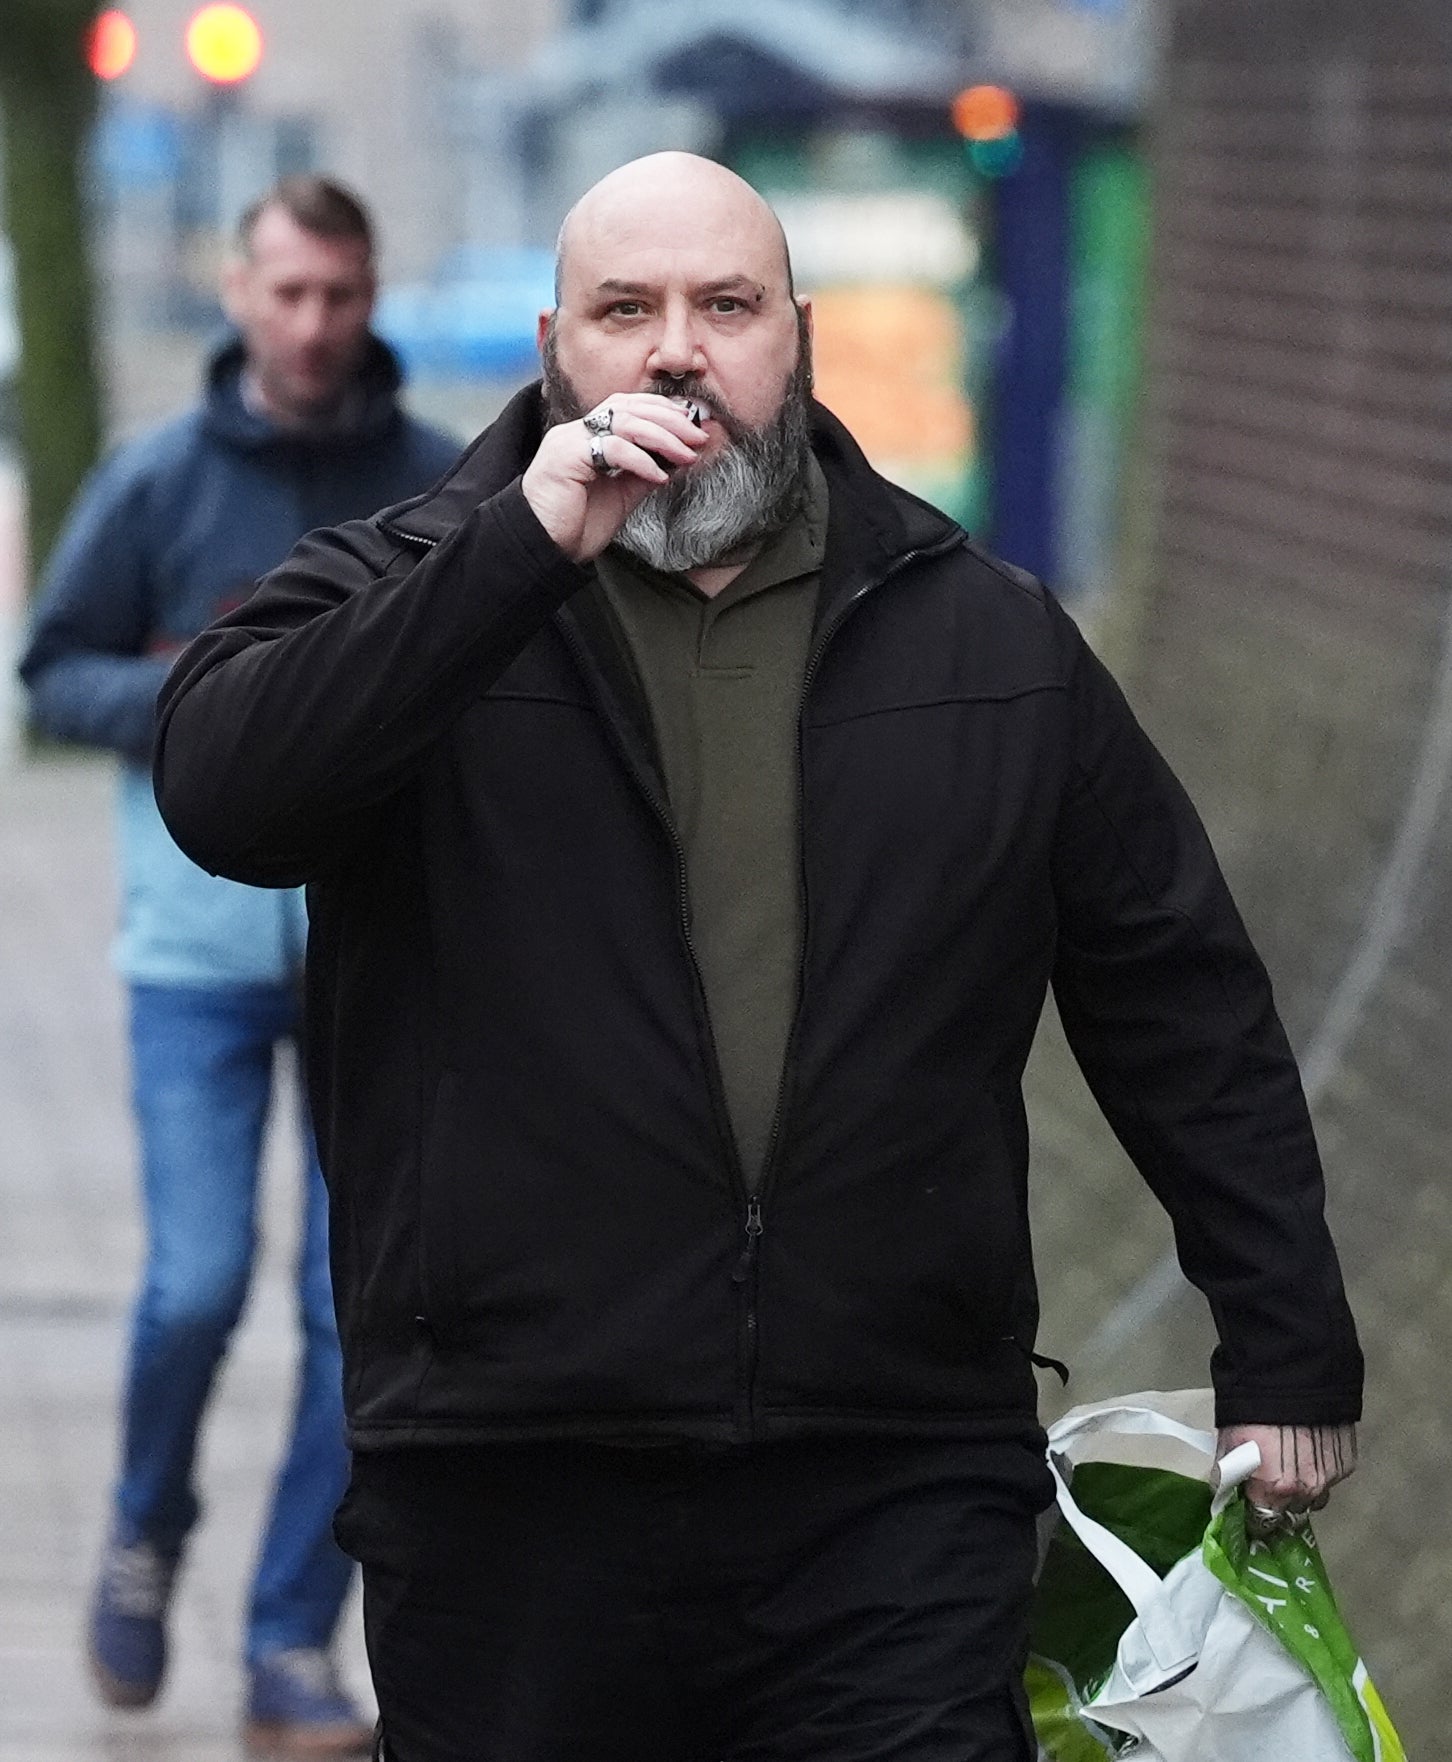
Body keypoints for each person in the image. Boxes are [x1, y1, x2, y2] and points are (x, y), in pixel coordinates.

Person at [151, 153, 1363, 1762]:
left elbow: (1177, 990)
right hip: (515, 1482)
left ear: (794, 337)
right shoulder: (407, 590)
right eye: (625, 310)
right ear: (552, 345)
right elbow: (230, 793)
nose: (676, 349)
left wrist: (1284, 1337)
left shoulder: (983, 638)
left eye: (724, 306)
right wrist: (519, 552)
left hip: (894, 1478)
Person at [19, 176, 458, 1755]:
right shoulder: (154, 484)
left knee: (362, 1320)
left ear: (370, 290)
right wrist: (213, 711)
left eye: (340, 295)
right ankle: (142, 1531)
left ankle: (286, 1641)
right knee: (194, 1282)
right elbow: (47, 673)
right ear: (236, 288)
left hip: (379, 963)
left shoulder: (434, 481)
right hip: (194, 959)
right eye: (288, 293)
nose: (315, 325)